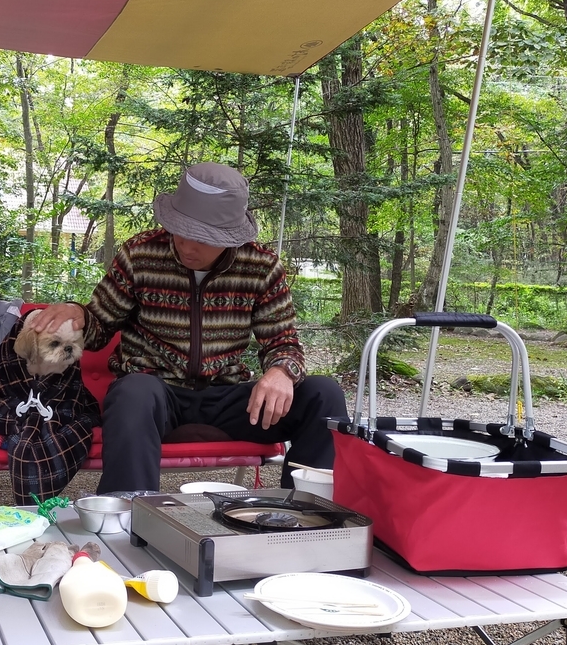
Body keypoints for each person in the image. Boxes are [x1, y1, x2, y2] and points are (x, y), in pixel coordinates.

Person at [30, 162, 347, 493]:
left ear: (230, 238)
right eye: (179, 229)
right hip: (156, 399)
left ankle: (311, 512)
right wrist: (78, 314)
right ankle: (127, 517)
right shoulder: (140, 254)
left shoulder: (261, 266)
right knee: (133, 391)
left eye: (201, 238)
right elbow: (98, 327)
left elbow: (283, 342)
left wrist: (281, 371)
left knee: (322, 394)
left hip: (228, 401)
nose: (186, 244)